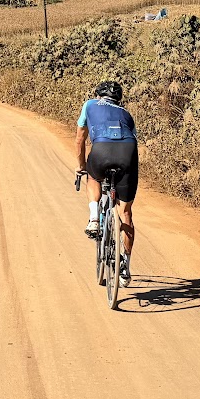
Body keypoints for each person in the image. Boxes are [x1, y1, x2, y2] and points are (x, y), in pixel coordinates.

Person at [76, 79, 138, 283]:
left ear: (98, 95)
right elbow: (133, 140)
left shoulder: (90, 105)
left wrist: (82, 166)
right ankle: (125, 267)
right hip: (128, 152)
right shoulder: (127, 114)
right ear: (118, 100)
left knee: (93, 177)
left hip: (101, 150)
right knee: (125, 212)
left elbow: (80, 139)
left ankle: (94, 218)